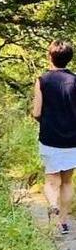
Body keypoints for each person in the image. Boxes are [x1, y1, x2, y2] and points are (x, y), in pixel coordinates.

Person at [33, 40, 76, 235]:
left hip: (50, 137)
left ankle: (52, 204)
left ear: (50, 56)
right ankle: (64, 222)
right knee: (67, 181)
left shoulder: (42, 80)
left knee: (51, 180)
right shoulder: (75, 81)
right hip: (73, 139)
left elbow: (36, 112)